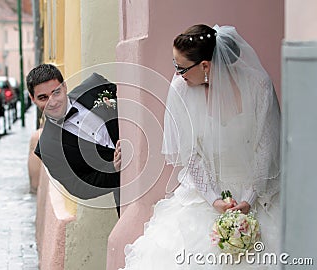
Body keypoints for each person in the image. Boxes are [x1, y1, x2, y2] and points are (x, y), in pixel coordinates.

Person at [120, 24, 281, 269]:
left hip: (256, 194)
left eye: (181, 67)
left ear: (205, 66)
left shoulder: (259, 86)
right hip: (206, 194)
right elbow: (191, 155)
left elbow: (265, 146)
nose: (177, 74)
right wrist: (215, 200)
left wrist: (248, 199)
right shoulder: (180, 91)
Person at [26, 64, 121, 215]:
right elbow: (79, 186)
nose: (52, 102)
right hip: (125, 196)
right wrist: (114, 170)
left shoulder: (95, 85)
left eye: (56, 92)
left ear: (64, 87)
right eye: (43, 97)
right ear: (32, 99)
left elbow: (132, 104)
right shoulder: (47, 148)